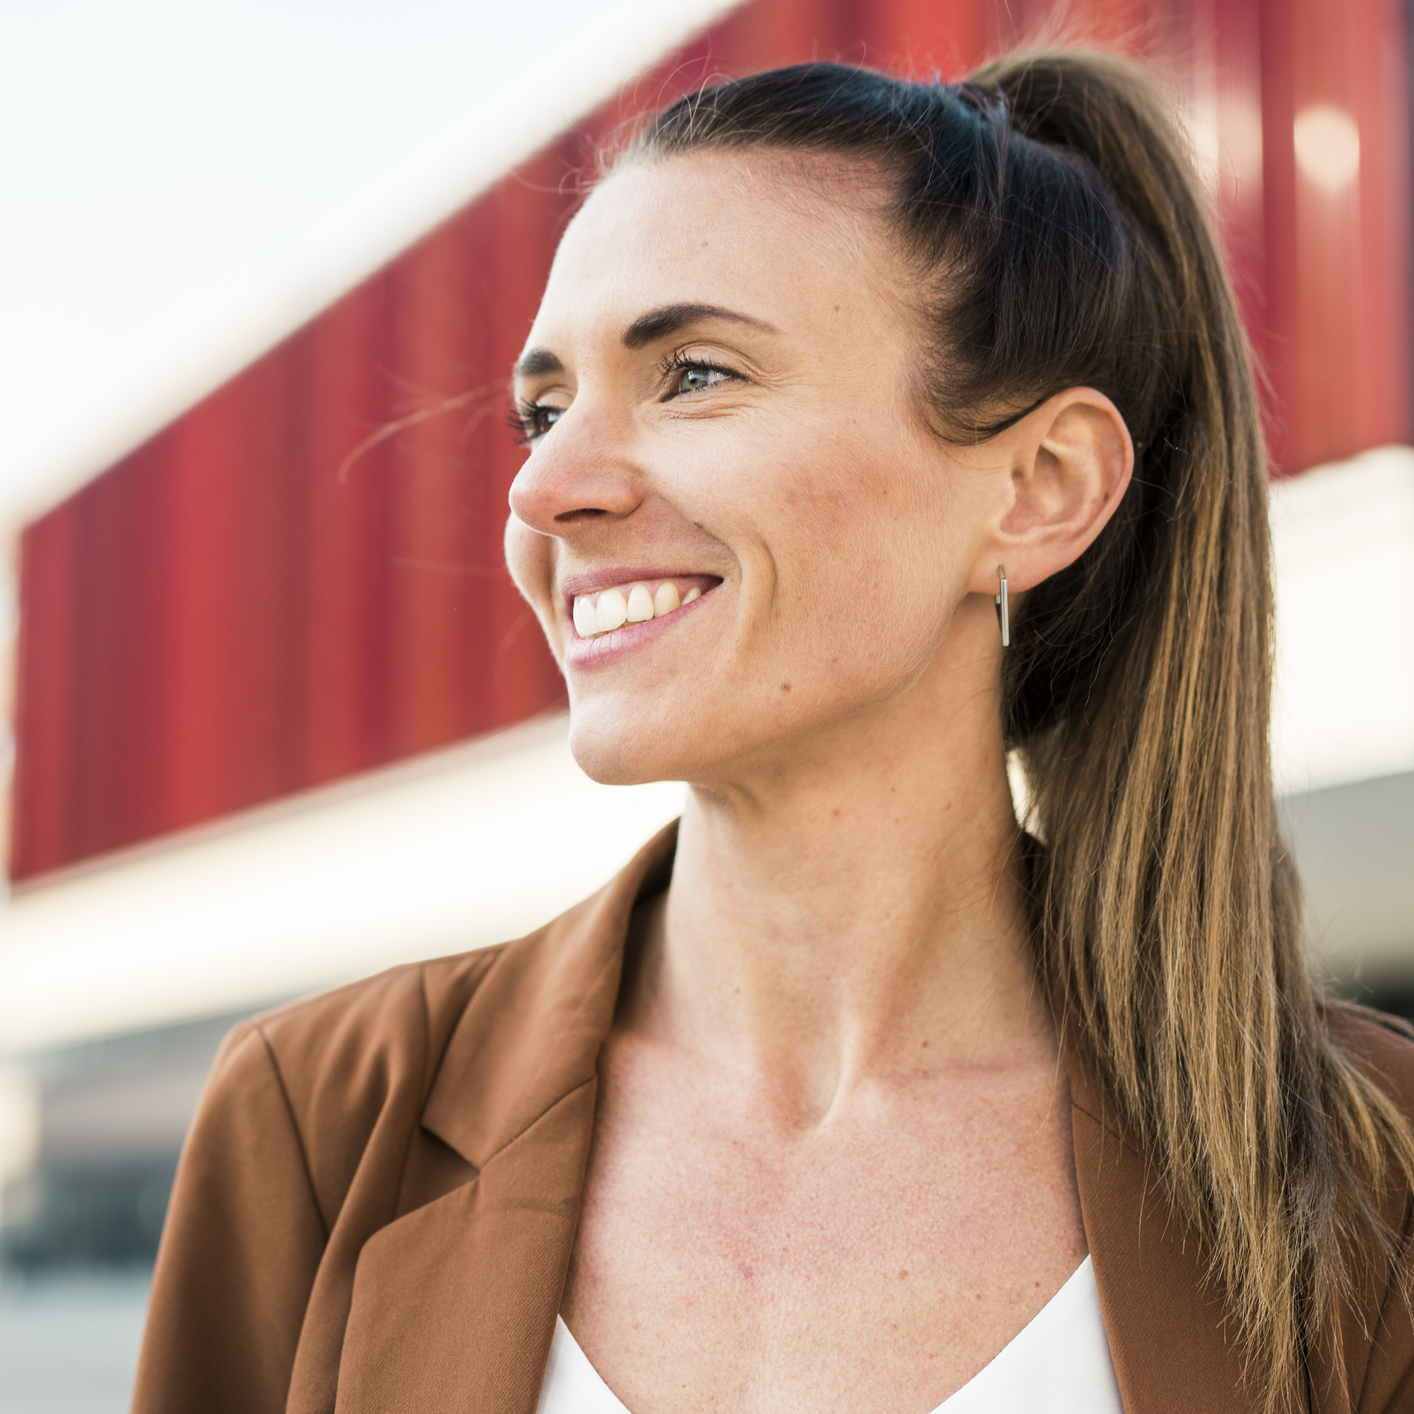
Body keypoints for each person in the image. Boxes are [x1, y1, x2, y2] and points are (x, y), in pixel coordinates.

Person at [132, 51, 1414, 1414]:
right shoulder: (321, 1117)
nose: (542, 484)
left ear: (1039, 488)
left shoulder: (1373, 1169)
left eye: (691, 371)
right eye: (544, 407)